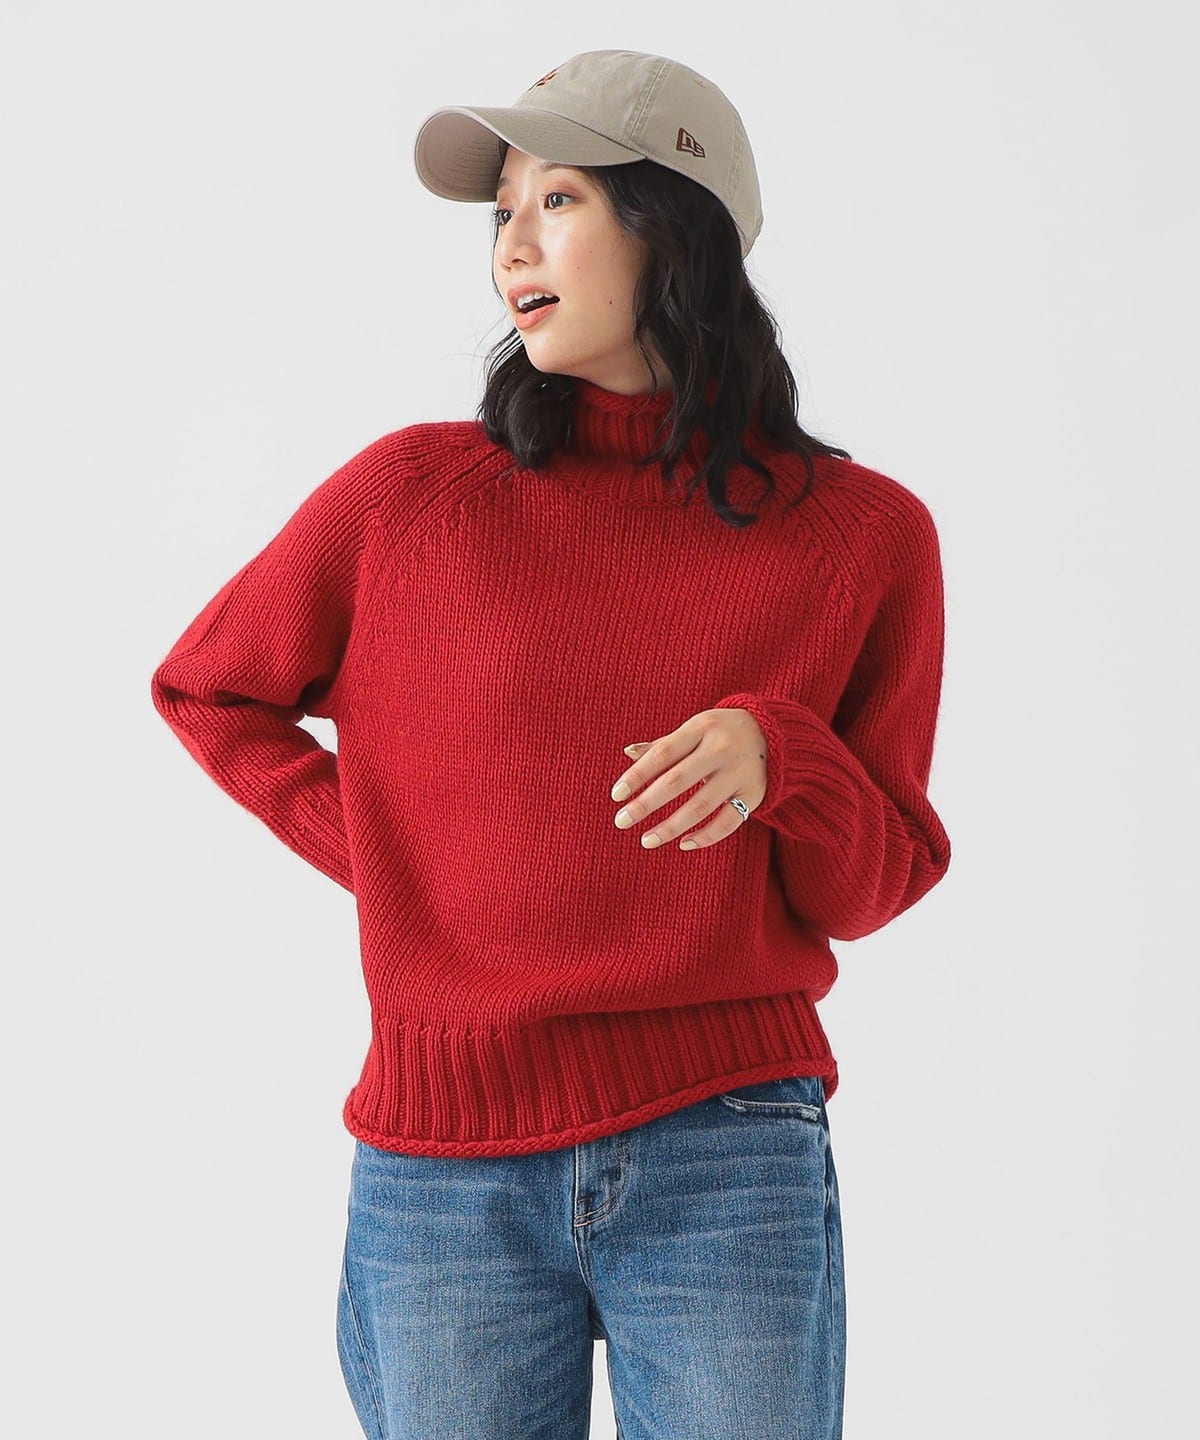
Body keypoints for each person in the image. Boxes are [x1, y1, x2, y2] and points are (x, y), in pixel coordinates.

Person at [150, 48, 951, 1440]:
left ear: (673, 230)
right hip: (444, 1163)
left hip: (728, 1146)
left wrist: (788, 762)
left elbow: (868, 887)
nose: (512, 245)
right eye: (502, 212)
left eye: (559, 199)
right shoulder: (409, 499)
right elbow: (209, 688)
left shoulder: (861, 537)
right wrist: (411, 857)